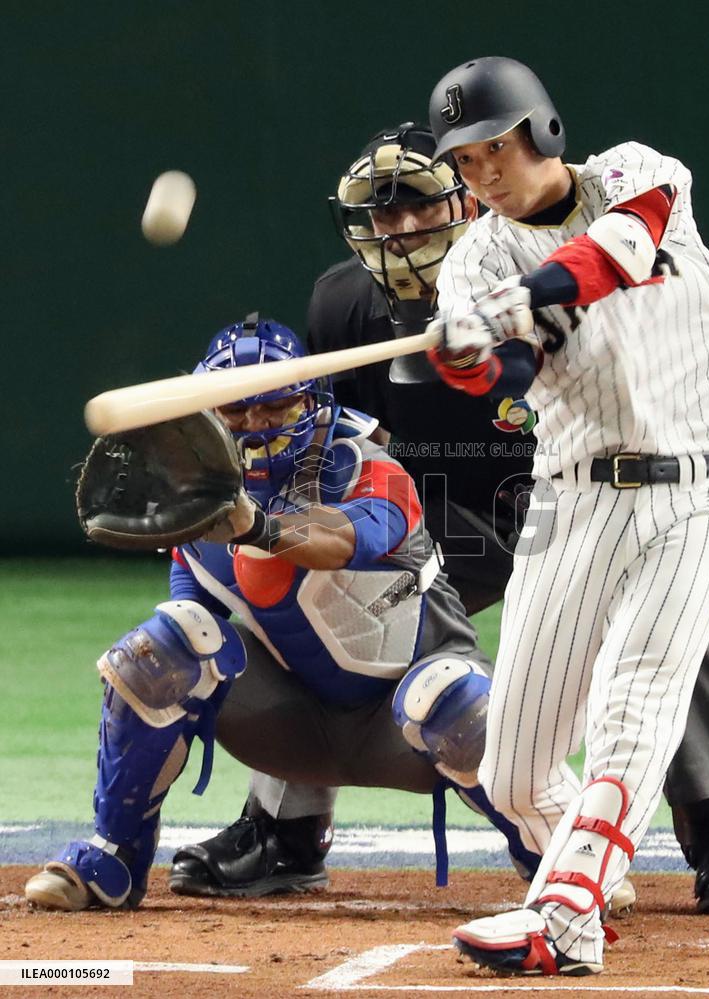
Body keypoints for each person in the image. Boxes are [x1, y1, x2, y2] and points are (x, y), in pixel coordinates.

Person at [172, 122, 709, 919]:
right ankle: (285, 829)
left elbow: (542, 370)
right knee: (306, 593)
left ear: (462, 200)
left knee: (664, 604)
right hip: (426, 519)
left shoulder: (523, 258)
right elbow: (332, 460)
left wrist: (495, 338)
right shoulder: (343, 304)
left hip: (558, 498)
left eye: (419, 205)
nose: (403, 228)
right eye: (382, 217)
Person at [419, 56, 709, 976]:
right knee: (513, 773)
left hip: (690, 495)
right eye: (465, 161)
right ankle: (590, 862)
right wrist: (467, 360)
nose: (485, 172)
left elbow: (611, 253)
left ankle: (567, 909)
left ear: (541, 131)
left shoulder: (636, 173)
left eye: (496, 146)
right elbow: (508, 378)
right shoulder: (474, 260)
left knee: (634, 701)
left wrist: (514, 302)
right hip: (570, 502)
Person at [23, 316, 537, 911]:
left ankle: (556, 862)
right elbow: (193, 625)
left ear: (312, 405)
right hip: (293, 726)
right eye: (236, 412)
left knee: (447, 695)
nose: (255, 428)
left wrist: (256, 527)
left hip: (408, 727)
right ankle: (114, 858)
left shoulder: (368, 468)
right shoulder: (200, 503)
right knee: (159, 650)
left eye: (275, 410)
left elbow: (339, 541)